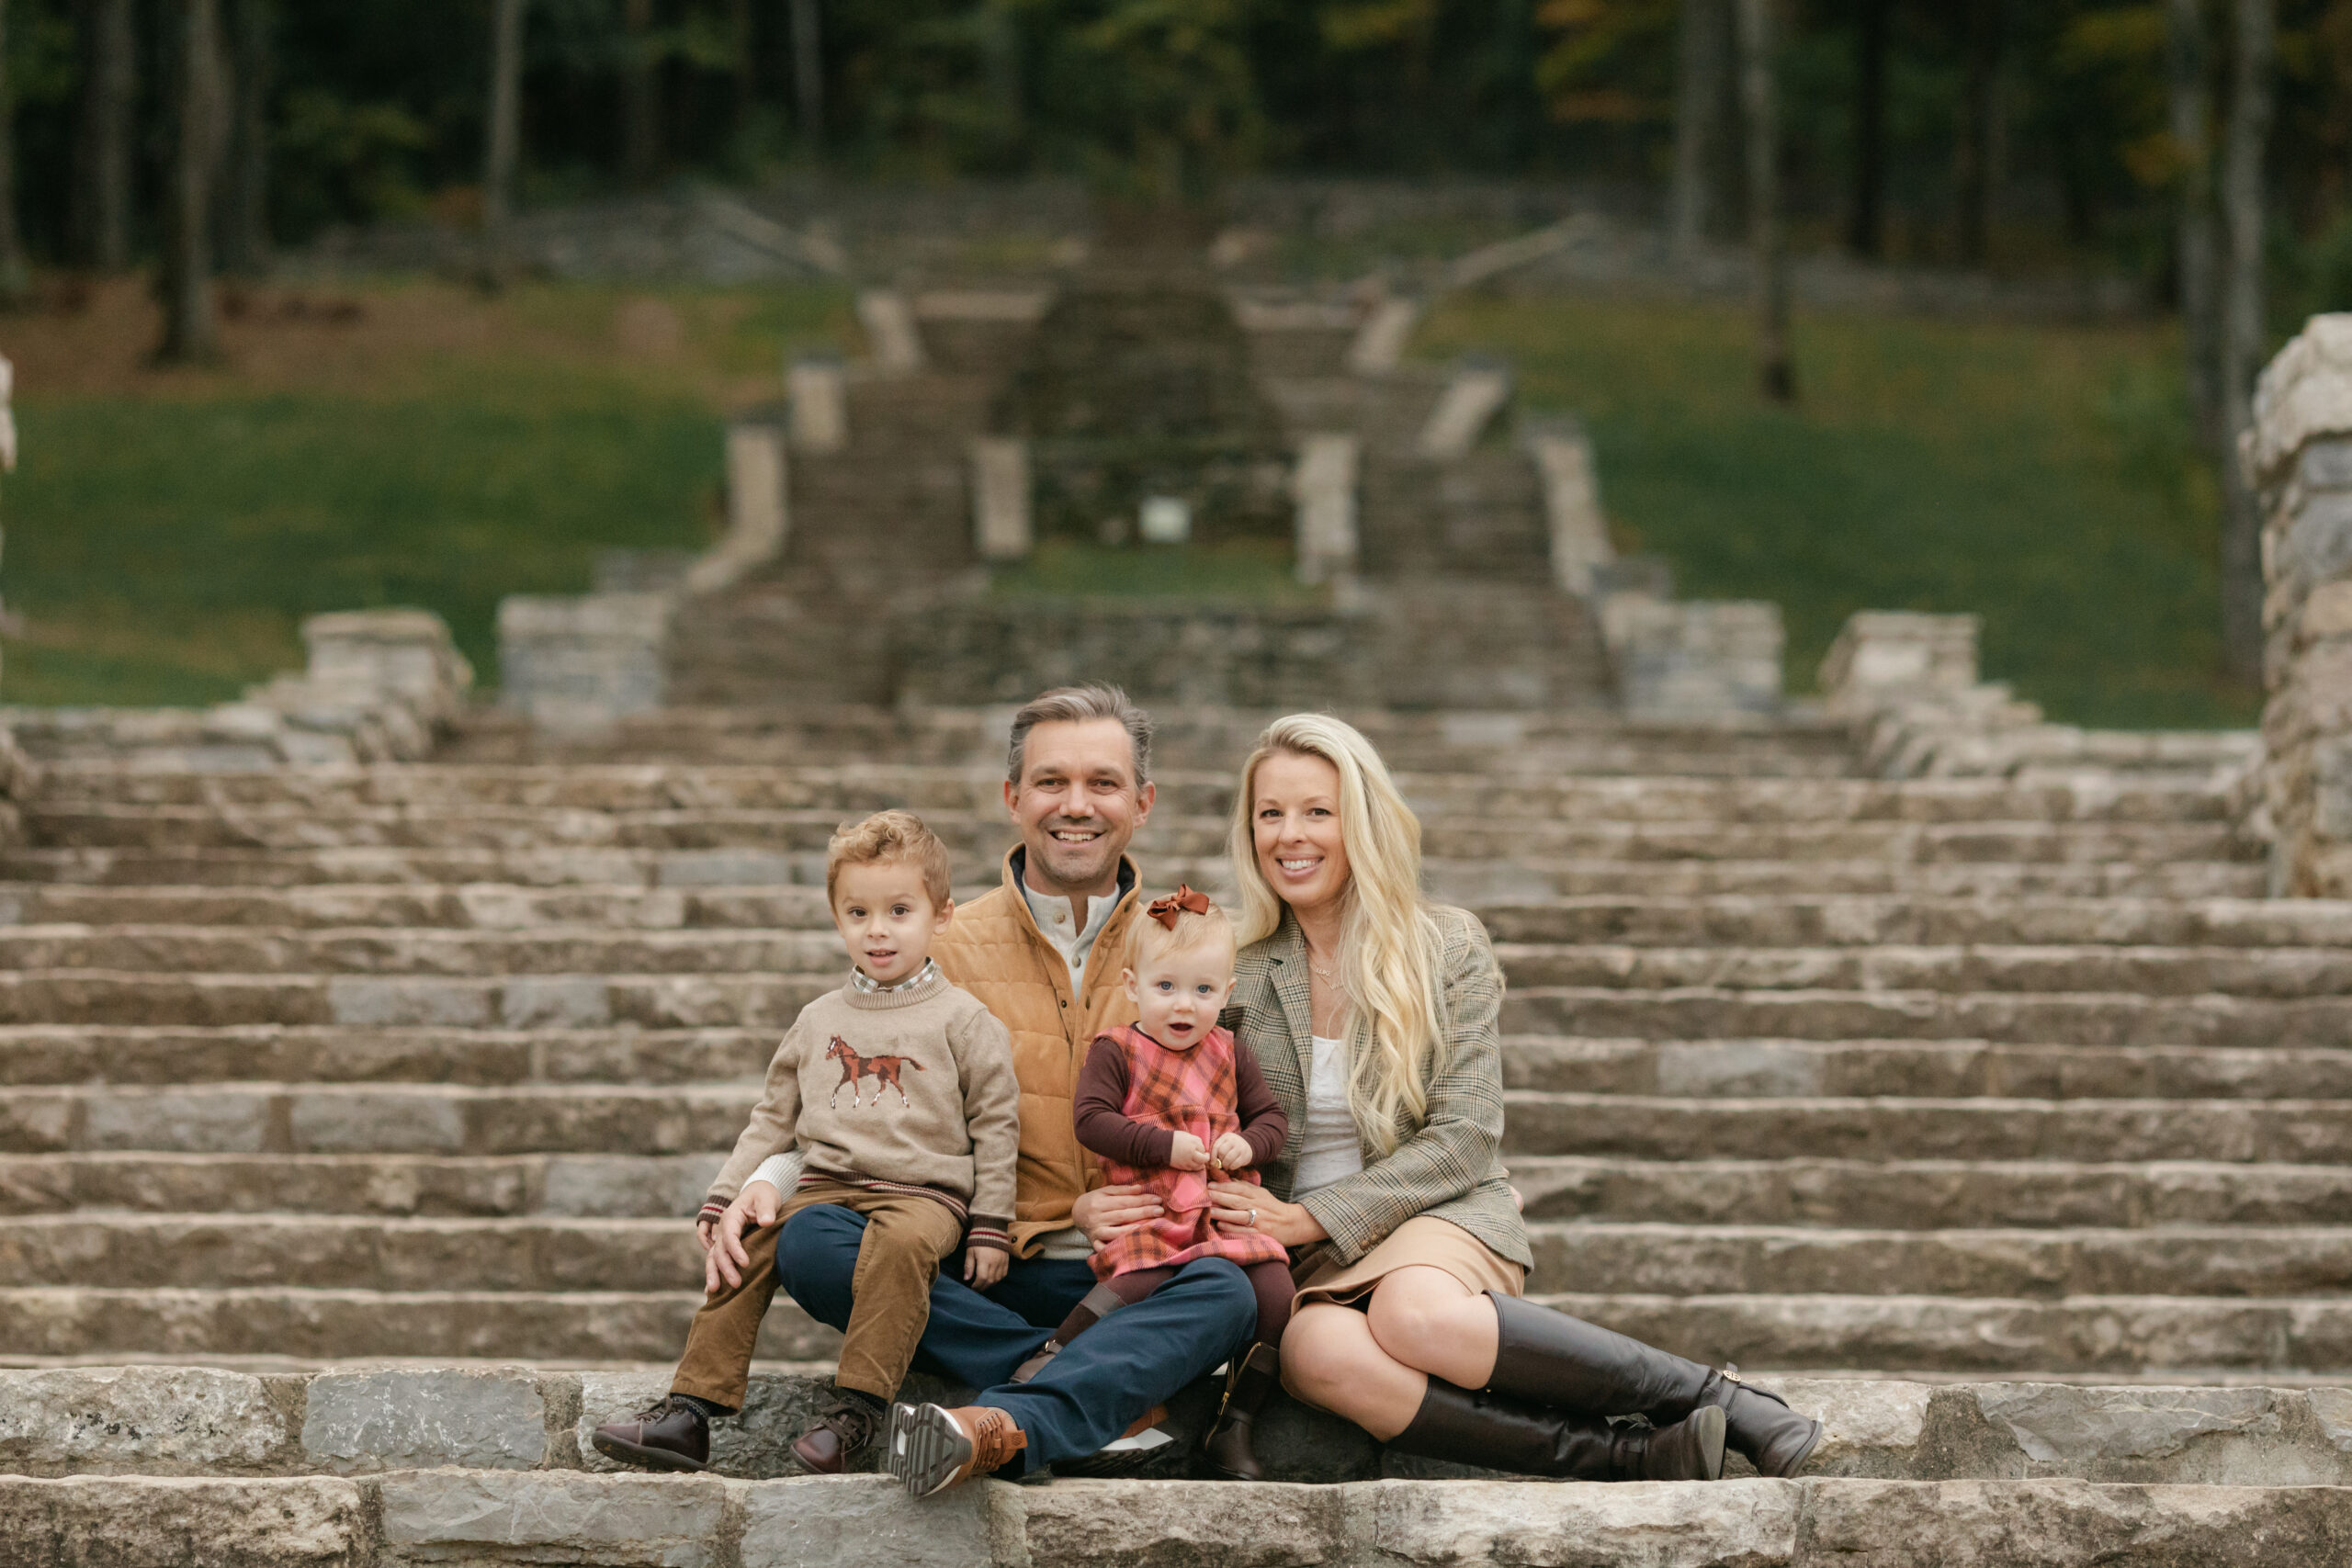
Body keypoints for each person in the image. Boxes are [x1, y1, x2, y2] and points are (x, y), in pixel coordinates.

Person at [1201, 713, 1823, 1483]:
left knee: (1412, 1315)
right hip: (1298, 1256)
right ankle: (1632, 1456)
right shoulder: (1231, 965)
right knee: (1314, 1352)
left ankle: (1726, 1397)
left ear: (1360, 820)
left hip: (1433, 1209)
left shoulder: (1446, 945)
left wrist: (1314, 1213)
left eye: (1317, 811)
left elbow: (1466, 1133)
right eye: (1271, 813)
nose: (1290, 834)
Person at [757, 686, 1261, 1496]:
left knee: (1227, 1291)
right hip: (980, 1258)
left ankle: (1008, 1417)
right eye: (1051, 781)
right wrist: (761, 1182)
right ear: (1012, 797)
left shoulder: (1182, 950)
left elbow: (1235, 1108)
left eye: (1103, 783)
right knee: (814, 1245)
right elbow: (836, 1105)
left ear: (1144, 802)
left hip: (1129, 1263)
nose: (1076, 805)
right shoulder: (942, 945)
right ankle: (1077, 1385)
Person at [591, 810, 1019, 1475]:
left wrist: (992, 1225)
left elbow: (997, 1123)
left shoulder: (965, 1019)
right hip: (824, 1186)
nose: (878, 929)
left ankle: (858, 1410)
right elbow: (772, 1117)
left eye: (899, 909)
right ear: (837, 916)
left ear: (942, 916)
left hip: (922, 1195)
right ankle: (691, 1409)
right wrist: (728, 1195)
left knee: (899, 1247)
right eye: (859, 911)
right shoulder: (817, 1019)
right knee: (751, 1237)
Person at [1006, 884, 1293, 1481]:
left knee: (1274, 1292)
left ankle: (1235, 1420)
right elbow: (1092, 1120)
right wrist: (1163, 1143)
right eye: (1166, 987)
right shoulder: (1118, 1049)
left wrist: (1252, 1141)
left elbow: (1272, 1117)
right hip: (1153, 1207)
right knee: (1139, 1281)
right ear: (1133, 985)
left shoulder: (1230, 1051)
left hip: (1219, 1210)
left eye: (1203, 990)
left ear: (1227, 993)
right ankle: (1054, 1354)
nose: (1183, 1005)